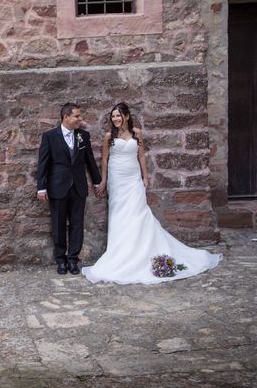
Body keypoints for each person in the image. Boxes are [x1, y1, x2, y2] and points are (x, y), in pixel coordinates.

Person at [83, 102, 221, 284]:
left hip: (133, 178)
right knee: (119, 215)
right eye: (113, 116)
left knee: (139, 212)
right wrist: (103, 180)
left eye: (118, 115)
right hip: (117, 179)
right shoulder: (109, 136)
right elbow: (105, 159)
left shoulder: (137, 133)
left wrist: (145, 177)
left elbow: (141, 156)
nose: (115, 119)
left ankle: (143, 250)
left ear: (126, 116)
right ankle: (121, 252)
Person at [37, 103, 102, 275]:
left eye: (80, 116)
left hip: (79, 187)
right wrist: (41, 187)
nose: (80, 119)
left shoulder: (83, 136)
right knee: (58, 224)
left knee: (77, 224)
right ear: (66, 117)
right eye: (77, 116)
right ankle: (61, 260)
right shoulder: (50, 136)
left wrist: (97, 182)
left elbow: (90, 160)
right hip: (58, 186)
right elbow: (43, 163)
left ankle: (73, 259)